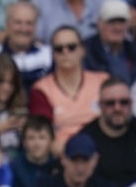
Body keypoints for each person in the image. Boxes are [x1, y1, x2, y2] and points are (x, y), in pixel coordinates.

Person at [29, 25, 110, 154]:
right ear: (53, 54)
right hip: (62, 156)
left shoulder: (103, 81)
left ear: (82, 50)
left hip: (103, 151)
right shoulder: (41, 89)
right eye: (59, 49)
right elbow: (43, 135)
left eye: (71, 47)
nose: (65, 52)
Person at [80, 76, 136, 187]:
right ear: (100, 106)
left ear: (131, 104)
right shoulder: (86, 137)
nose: (117, 108)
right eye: (110, 103)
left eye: (124, 102)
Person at [0, 0, 53, 92]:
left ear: (36, 26)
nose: (23, 29)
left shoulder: (49, 55)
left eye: (29, 23)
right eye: (18, 23)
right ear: (7, 25)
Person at [82, 0, 136, 84]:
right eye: (111, 22)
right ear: (99, 24)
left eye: (121, 22)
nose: (117, 27)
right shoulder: (85, 52)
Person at [10, 115, 59, 187]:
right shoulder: (14, 168)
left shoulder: (60, 167)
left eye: (42, 138)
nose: (37, 144)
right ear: (24, 142)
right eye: (31, 138)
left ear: (51, 141)